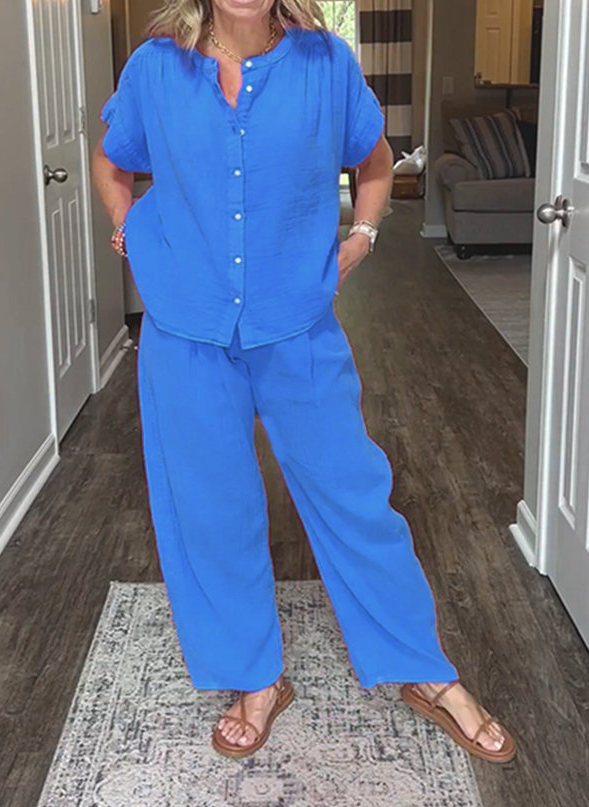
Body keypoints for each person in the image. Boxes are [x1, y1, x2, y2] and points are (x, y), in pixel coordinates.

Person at [92, 0, 516, 765]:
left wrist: (364, 234)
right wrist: (127, 227)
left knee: (353, 493)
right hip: (186, 328)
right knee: (211, 509)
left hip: (297, 326)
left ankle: (423, 668)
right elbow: (111, 159)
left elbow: (375, 161)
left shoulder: (326, 65)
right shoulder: (155, 68)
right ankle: (256, 678)